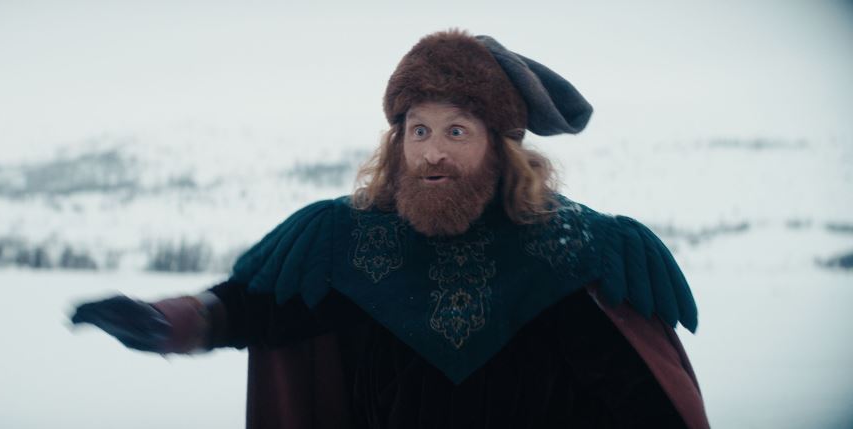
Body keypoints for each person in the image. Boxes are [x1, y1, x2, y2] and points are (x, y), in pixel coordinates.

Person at [71, 29, 710, 428]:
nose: (432, 151)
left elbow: (637, 396)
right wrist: (172, 322)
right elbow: (256, 310)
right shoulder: (348, 240)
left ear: (502, 146)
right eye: (419, 129)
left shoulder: (570, 250)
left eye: (456, 130)